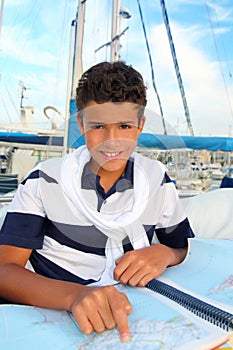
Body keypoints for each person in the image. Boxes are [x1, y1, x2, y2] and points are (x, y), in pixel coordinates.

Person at [0, 61, 194, 343]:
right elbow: (5, 271)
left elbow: (182, 247)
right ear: (81, 124)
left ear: (140, 125)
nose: (112, 142)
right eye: (98, 126)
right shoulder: (43, 181)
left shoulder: (157, 180)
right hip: (56, 321)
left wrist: (164, 254)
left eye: (125, 126)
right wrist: (73, 296)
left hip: (136, 318)